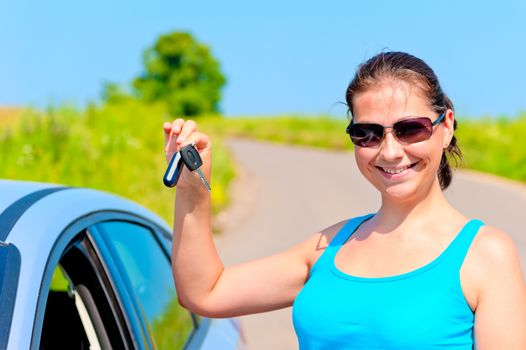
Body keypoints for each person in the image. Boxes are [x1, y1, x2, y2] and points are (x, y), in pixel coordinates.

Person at [163, 51, 526, 349]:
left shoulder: (485, 255)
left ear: (445, 127)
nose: (390, 151)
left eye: (410, 129)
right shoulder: (328, 248)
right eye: (366, 134)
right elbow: (206, 292)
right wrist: (192, 189)